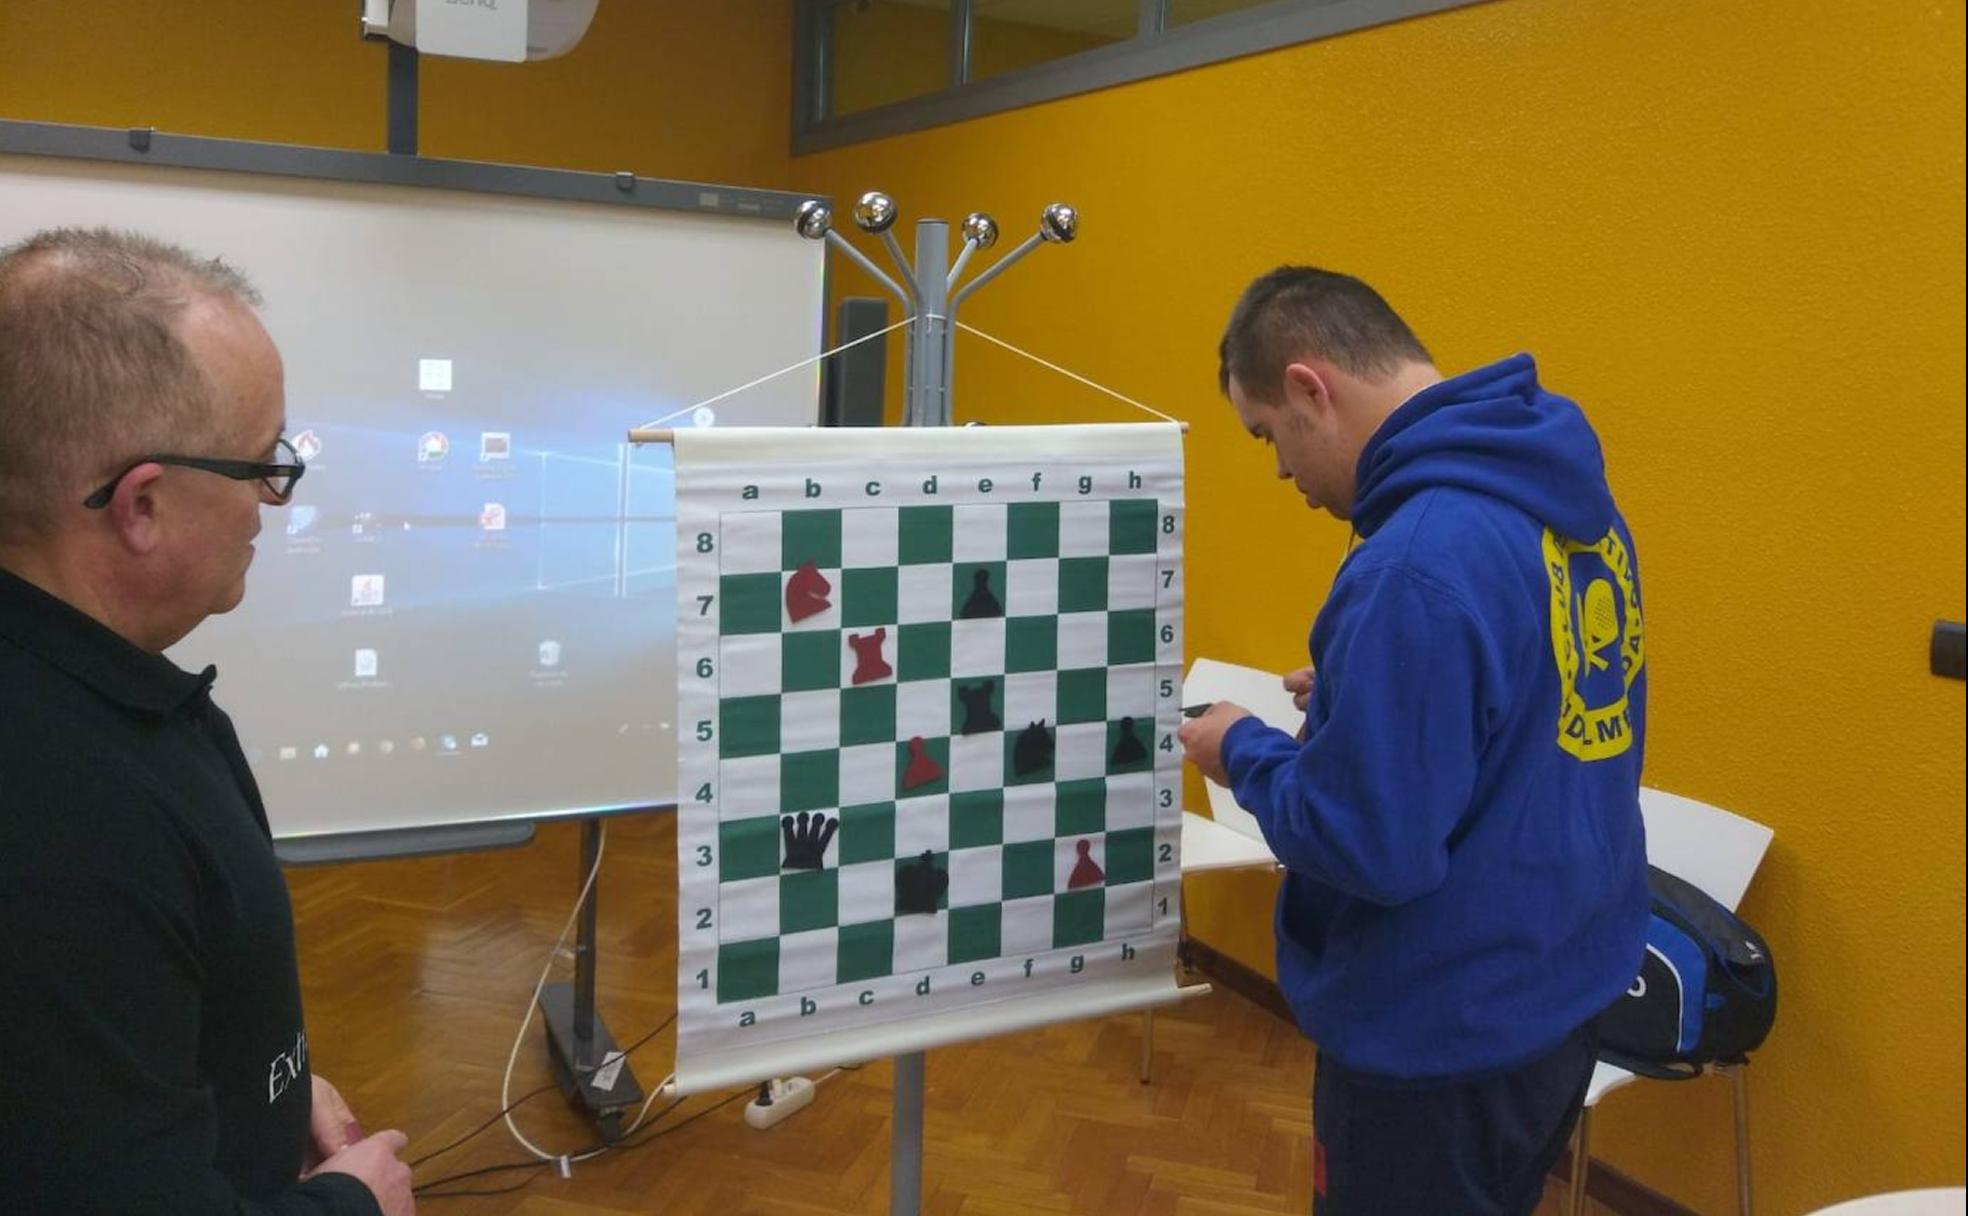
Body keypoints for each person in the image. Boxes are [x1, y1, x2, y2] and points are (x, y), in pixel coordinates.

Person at [1178, 267, 1649, 1216]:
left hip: (1440, 1033)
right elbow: (1542, 693)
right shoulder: (1568, 497)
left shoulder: (1414, 562)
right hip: (1560, 988)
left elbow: (1370, 846)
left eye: (1268, 434)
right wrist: (1371, 694)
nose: (1279, 472)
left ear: (1313, 388)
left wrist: (1246, 752)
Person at [0, 228, 415, 1215]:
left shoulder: (105, 692)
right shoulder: (62, 821)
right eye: (262, 464)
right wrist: (355, 1207)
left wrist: (259, 1091)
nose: (272, 501)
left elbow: (106, 1078)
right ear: (141, 506)